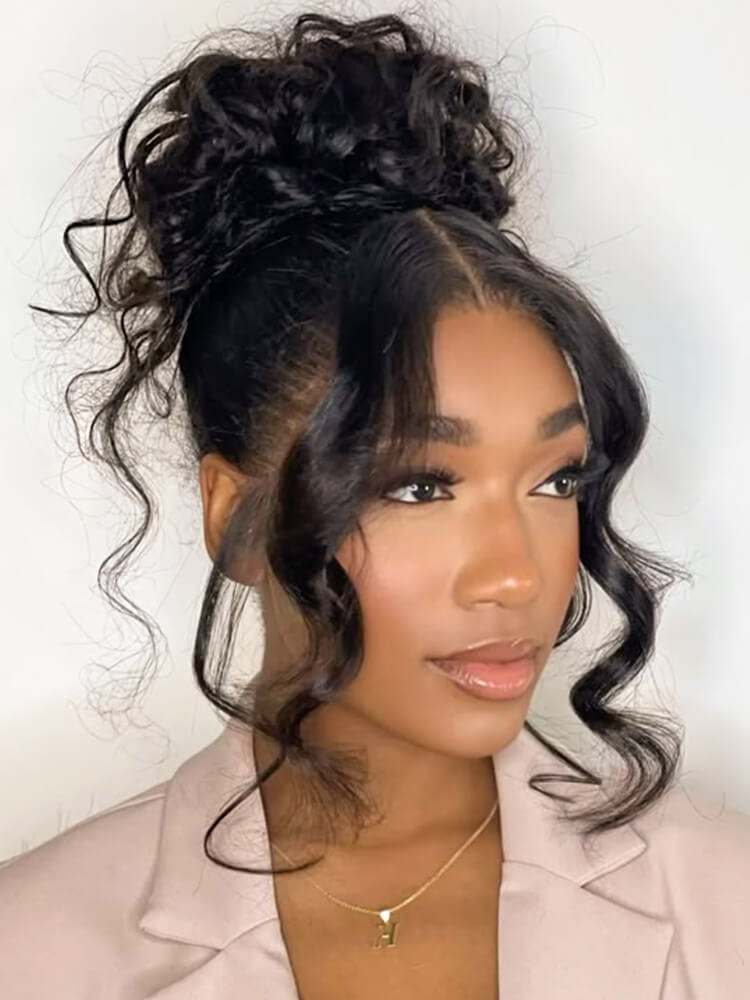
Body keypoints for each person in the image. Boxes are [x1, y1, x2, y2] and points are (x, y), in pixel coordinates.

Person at [1, 11, 748, 999]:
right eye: (422, 486)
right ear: (235, 518)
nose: (518, 575)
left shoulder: (725, 907)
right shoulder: (33, 950)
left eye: (556, 479)